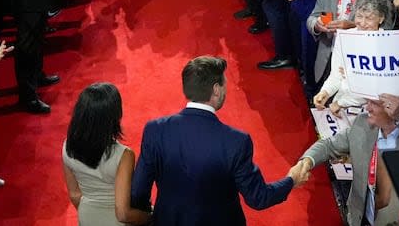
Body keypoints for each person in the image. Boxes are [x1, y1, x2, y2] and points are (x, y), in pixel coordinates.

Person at [131, 56, 309, 225]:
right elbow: (258, 197)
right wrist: (291, 180)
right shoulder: (236, 141)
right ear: (216, 89)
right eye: (224, 84)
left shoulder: (155, 130)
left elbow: (138, 191)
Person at [294, 94, 399, 226]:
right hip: (359, 217)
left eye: (374, 103)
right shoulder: (362, 123)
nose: (367, 108)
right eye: (368, 101)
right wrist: (306, 161)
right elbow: (329, 146)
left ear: (393, 107)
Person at [62, 83, 152, 226]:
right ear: (114, 116)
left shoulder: (67, 146)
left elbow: (74, 195)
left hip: (86, 217)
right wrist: (150, 217)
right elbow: (123, 214)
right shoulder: (123, 155)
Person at [313, 0, 392, 115]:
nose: (363, 23)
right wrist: (325, 92)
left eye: (369, 18)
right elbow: (336, 74)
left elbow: (375, 89)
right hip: (339, 105)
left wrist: (342, 103)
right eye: (359, 16)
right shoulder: (344, 36)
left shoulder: (388, 45)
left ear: (381, 18)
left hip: (371, 111)